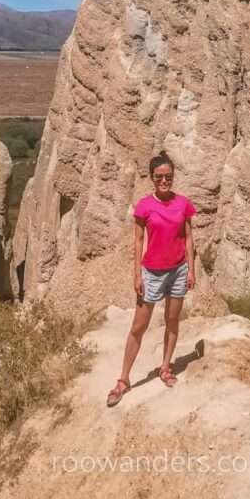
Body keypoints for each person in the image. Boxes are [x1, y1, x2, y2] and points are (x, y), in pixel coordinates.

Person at [106, 151, 196, 406]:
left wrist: (191, 269)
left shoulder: (184, 204)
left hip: (178, 270)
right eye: (159, 177)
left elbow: (188, 238)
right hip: (152, 273)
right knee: (139, 326)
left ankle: (166, 368)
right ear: (152, 179)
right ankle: (123, 380)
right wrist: (137, 274)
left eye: (168, 176)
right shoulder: (144, 206)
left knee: (172, 320)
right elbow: (137, 241)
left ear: (173, 177)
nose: (164, 181)